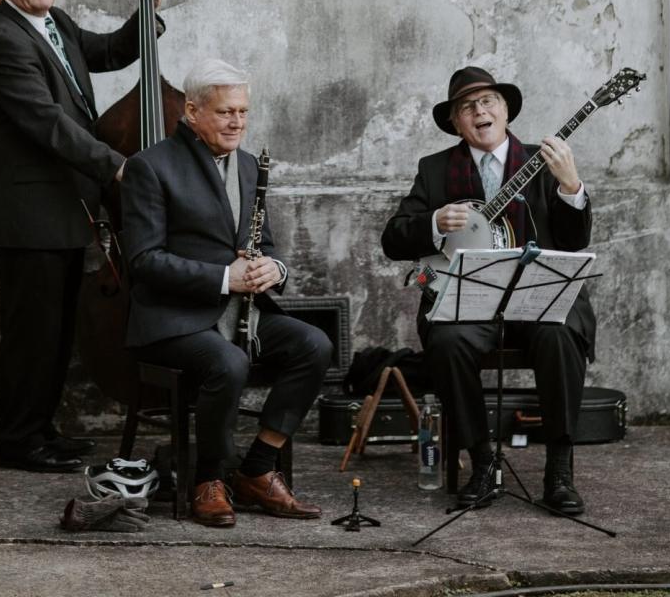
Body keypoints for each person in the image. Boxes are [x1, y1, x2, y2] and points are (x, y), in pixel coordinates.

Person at [0, 0, 165, 473]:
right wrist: (117, 164)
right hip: (30, 217)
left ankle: (40, 430)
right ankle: (18, 440)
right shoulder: (4, 43)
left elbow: (110, 51)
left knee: (56, 335)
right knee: (32, 336)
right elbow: (50, 125)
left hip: (63, 213)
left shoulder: (54, 22)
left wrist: (147, 10)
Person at [120, 59, 332, 527]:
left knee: (314, 346)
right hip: (172, 318)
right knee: (228, 361)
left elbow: (268, 247)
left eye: (243, 112)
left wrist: (271, 270)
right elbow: (144, 261)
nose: (237, 121)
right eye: (225, 112)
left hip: (243, 313)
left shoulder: (250, 165)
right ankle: (207, 479)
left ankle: (256, 469)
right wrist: (225, 277)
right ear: (192, 111)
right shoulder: (149, 167)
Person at [381, 65, 595, 515]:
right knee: (446, 339)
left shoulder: (543, 160)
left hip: (536, 299)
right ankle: (482, 460)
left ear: (504, 111)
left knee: (560, 334)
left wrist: (571, 187)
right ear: (456, 122)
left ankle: (559, 468)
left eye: (488, 101)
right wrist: (434, 223)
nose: (480, 111)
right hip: (472, 303)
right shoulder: (436, 170)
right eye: (467, 107)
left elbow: (574, 242)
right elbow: (393, 238)